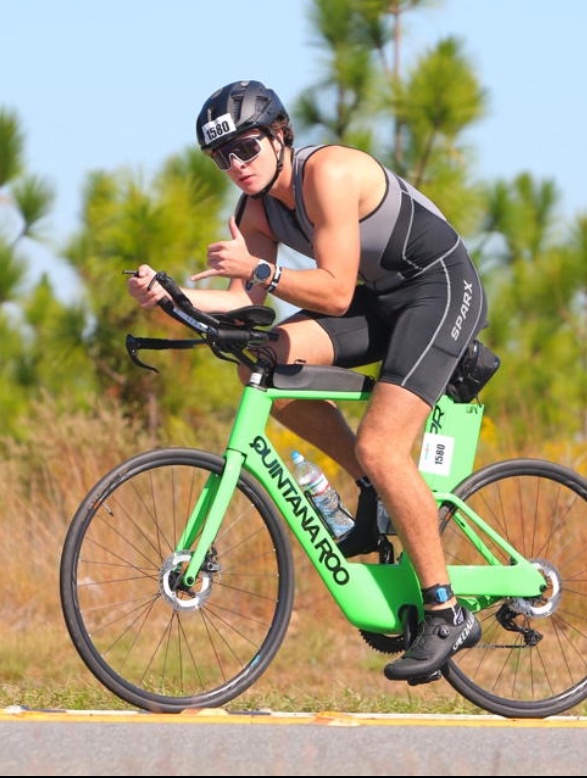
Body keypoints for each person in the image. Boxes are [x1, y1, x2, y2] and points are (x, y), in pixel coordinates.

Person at [127, 79, 488, 682]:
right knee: (262, 363)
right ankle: (371, 488)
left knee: (382, 443)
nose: (234, 166)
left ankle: (446, 612)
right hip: (380, 300)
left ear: (279, 135)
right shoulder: (256, 208)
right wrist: (169, 293)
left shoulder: (329, 174)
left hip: (438, 290)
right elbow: (245, 297)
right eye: (221, 158)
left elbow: (333, 289)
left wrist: (262, 269)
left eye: (244, 149)